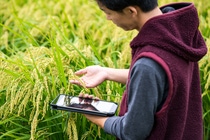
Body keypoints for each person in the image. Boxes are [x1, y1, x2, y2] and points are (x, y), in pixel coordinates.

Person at [70, 0, 207, 139]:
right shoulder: (177, 33)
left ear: (131, 11)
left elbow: (133, 132)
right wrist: (106, 72)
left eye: (108, 12)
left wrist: (97, 118)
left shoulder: (148, 63)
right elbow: (164, 77)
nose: (107, 18)